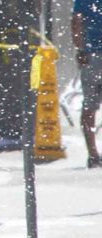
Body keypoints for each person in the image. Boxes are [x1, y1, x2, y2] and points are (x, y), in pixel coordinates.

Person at [74, 0, 102, 168]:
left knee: (89, 106)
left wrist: (81, 50)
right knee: (89, 107)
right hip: (92, 55)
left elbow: (76, 22)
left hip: (91, 56)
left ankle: (93, 154)